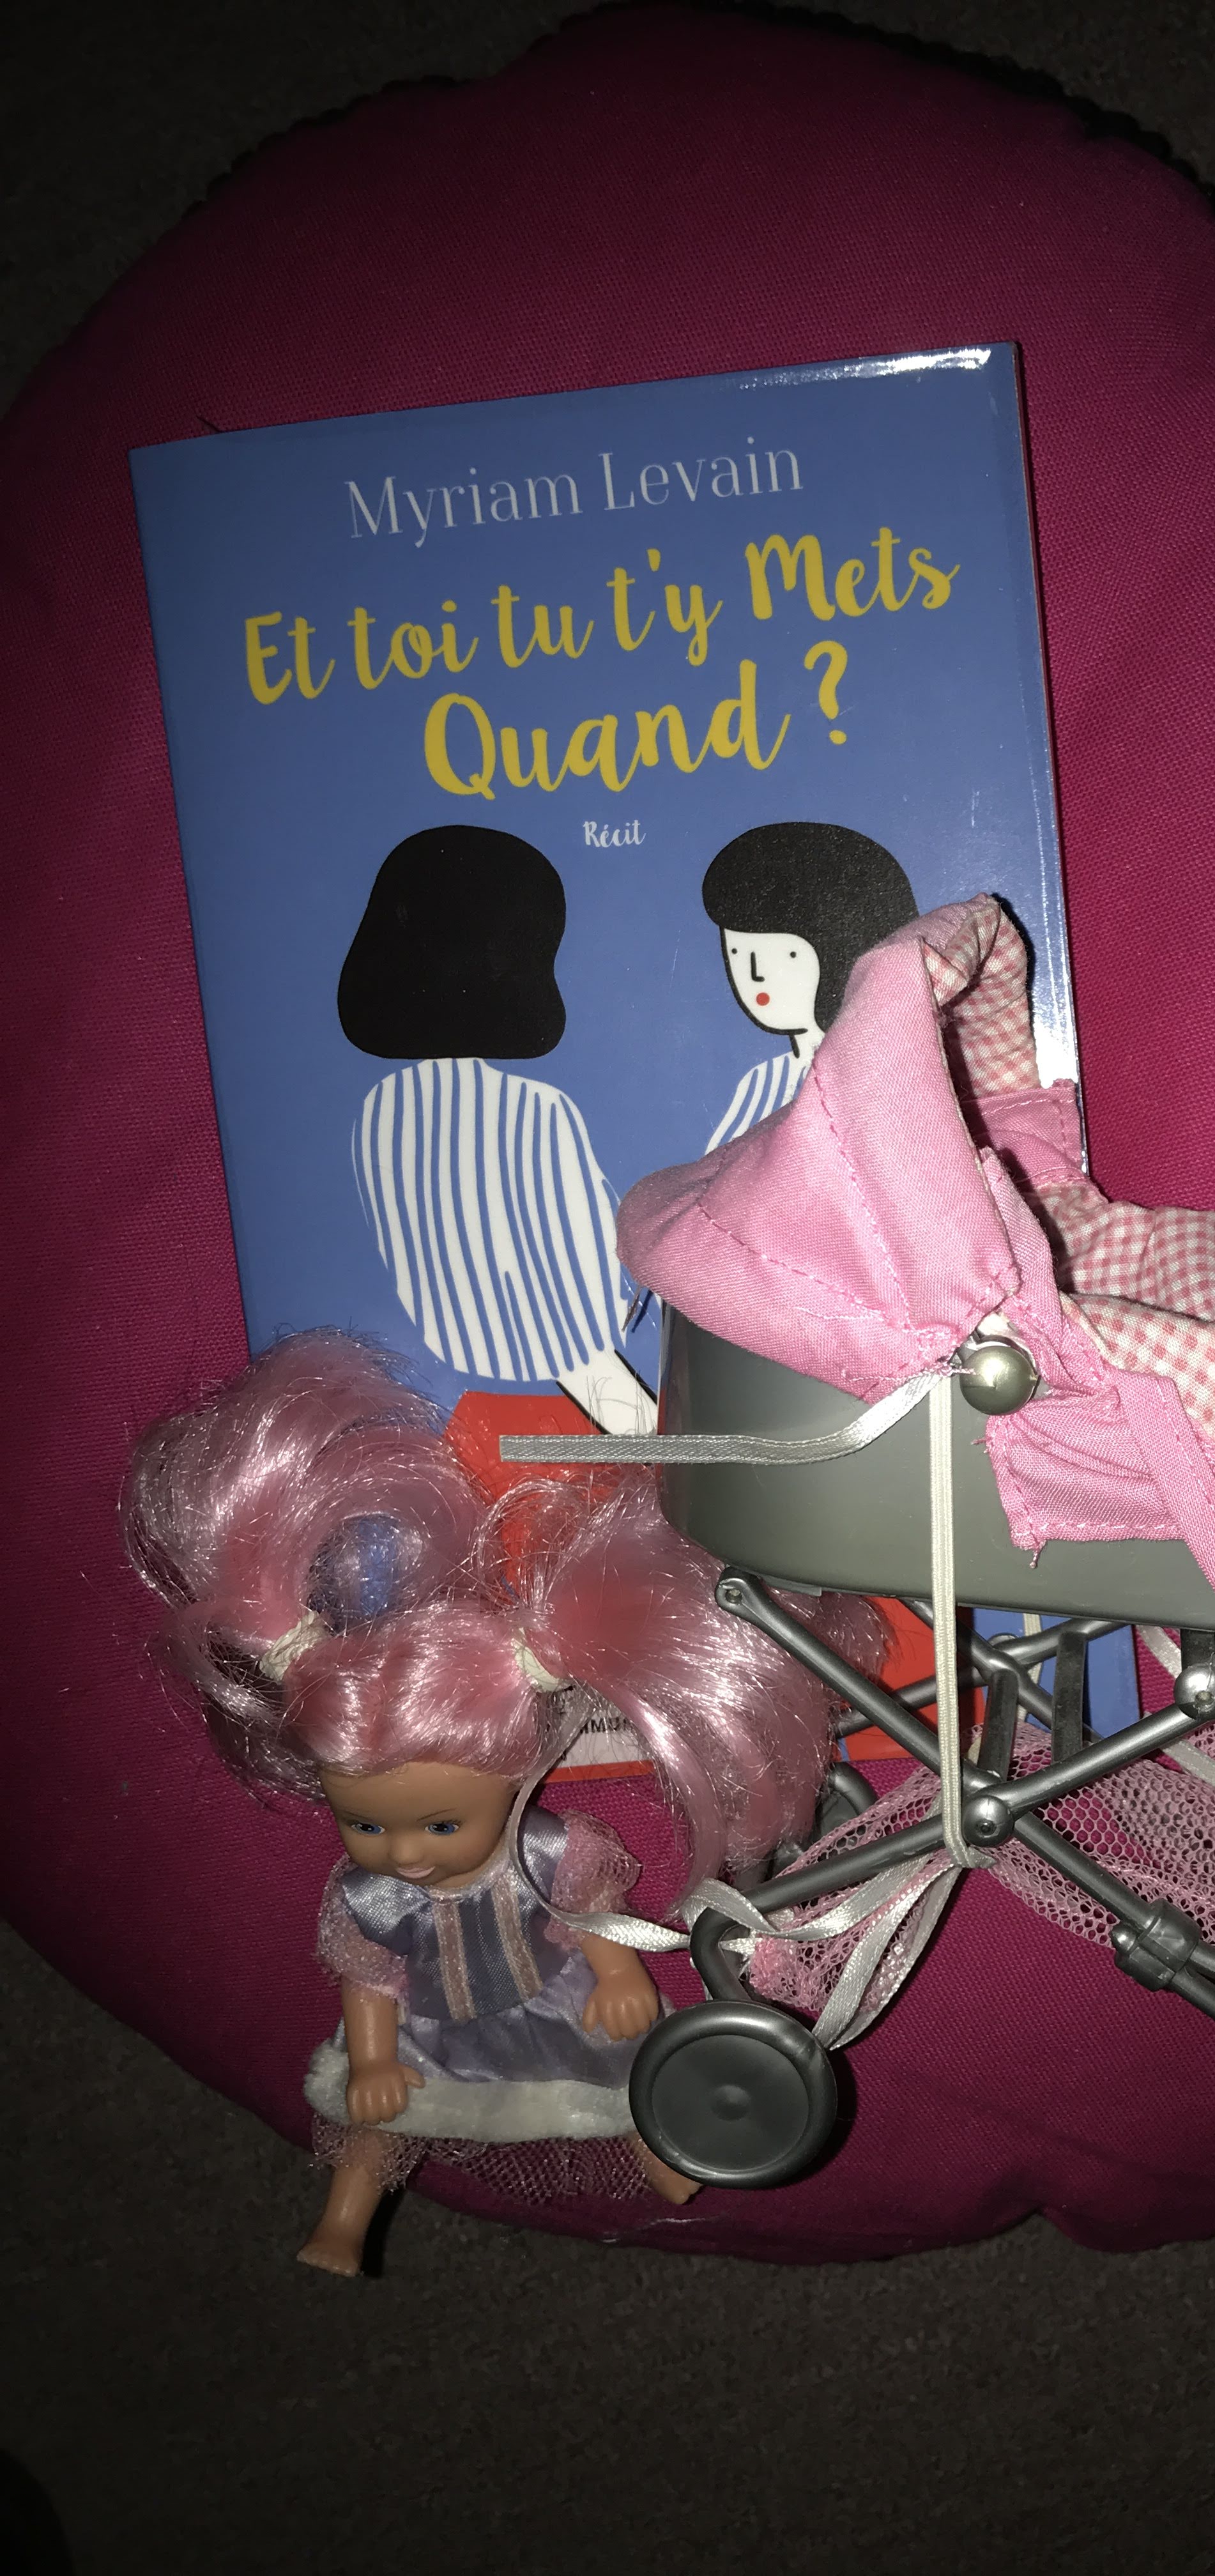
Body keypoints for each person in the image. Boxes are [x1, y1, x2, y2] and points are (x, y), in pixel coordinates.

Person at [123, 1330, 883, 2273]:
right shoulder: (371, 1900)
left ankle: (673, 2161)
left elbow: (590, 1920)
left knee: (627, 2083)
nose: (405, 1853)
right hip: (434, 2034)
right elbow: (371, 1984)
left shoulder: (548, 1854)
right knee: (377, 2122)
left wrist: (618, 1977)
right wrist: (373, 2056)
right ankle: (345, 2221)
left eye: (441, 1824)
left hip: (556, 2005)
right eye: (365, 1824)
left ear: (516, 1778)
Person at [339, 824, 653, 1433]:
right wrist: (652, 1434)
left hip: (459, 1411)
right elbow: (571, 1308)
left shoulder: (380, 1113)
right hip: (577, 1409)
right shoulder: (534, 1111)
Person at [699, 821, 916, 1151]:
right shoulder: (762, 1082)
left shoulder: (888, 1073)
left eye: (787, 954)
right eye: (738, 953)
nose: (755, 974)